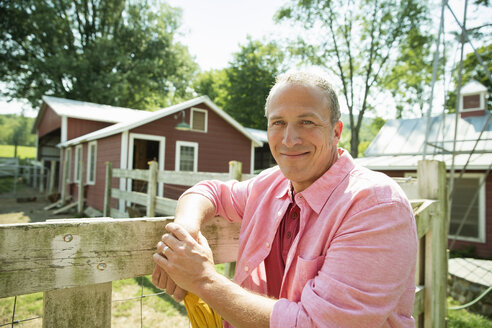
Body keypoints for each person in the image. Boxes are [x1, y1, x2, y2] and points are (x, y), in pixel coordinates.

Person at [152, 71, 418, 327]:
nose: (289, 139)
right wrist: (183, 236)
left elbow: (316, 325)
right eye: (278, 122)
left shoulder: (376, 204)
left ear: (336, 132)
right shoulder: (271, 184)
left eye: (307, 122)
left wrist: (202, 278)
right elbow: (210, 191)